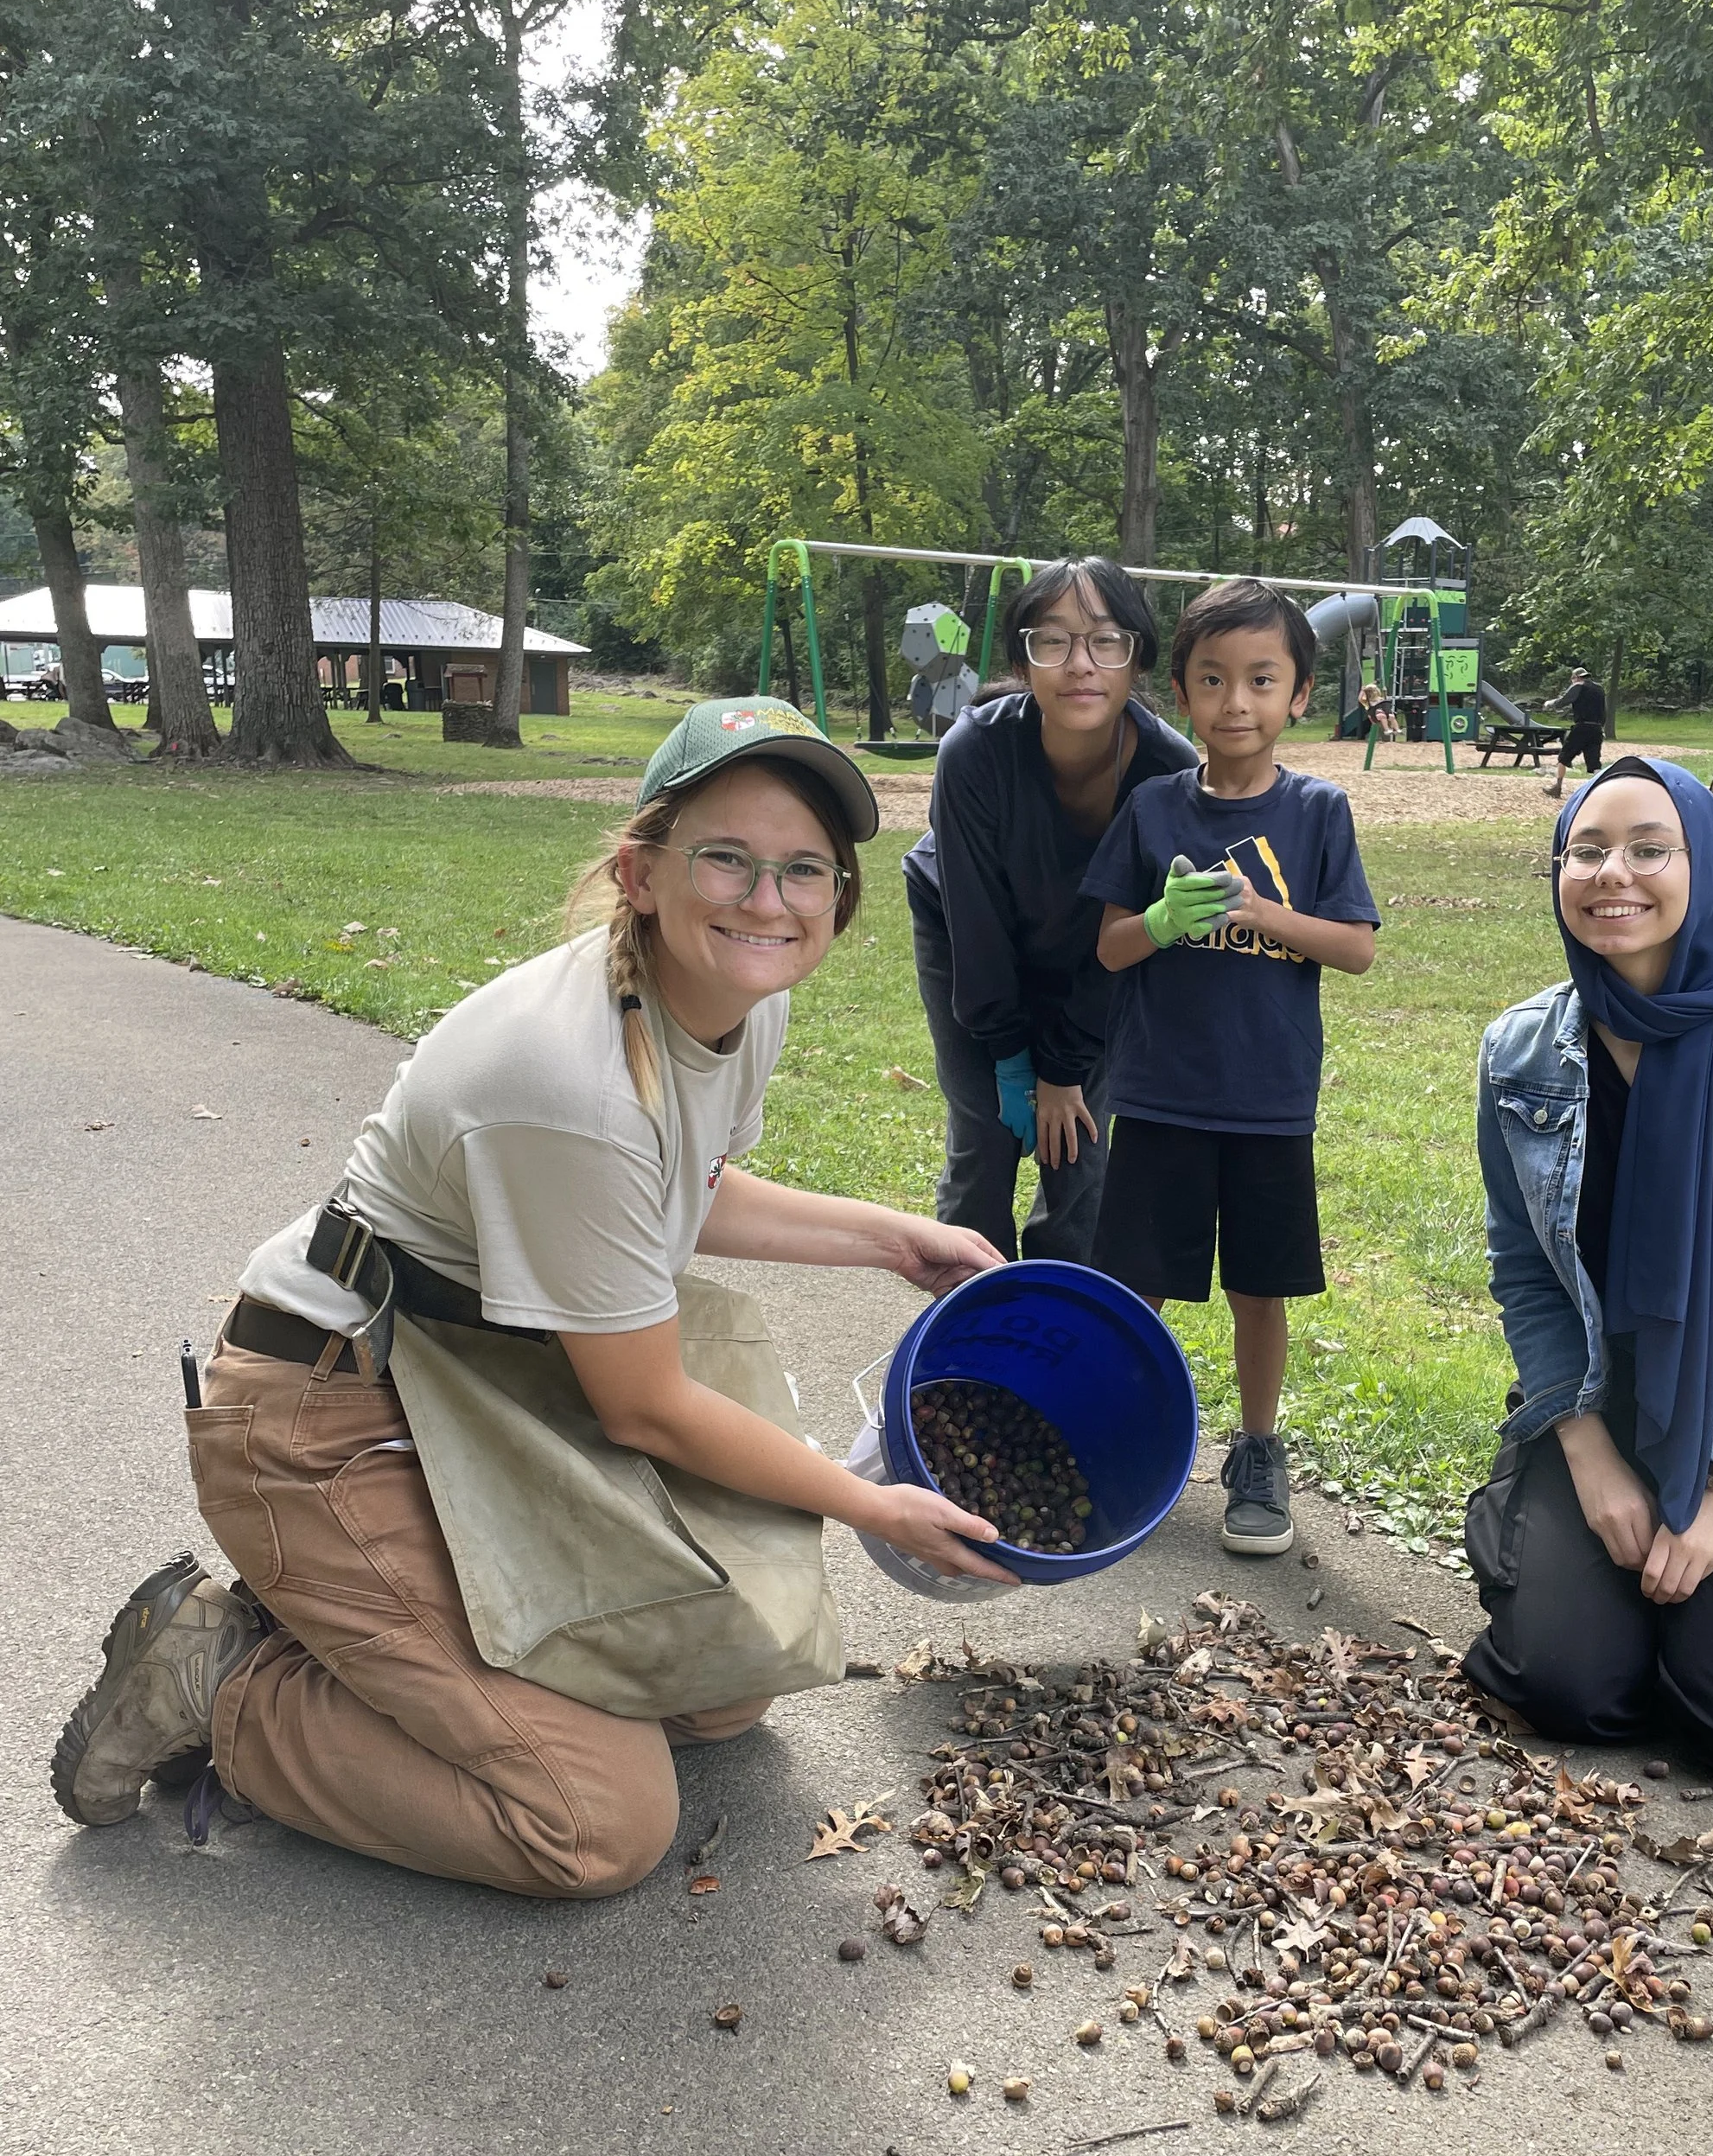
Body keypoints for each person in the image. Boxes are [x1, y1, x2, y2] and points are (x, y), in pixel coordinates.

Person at [51, 700, 1012, 1898]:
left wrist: (890, 1238)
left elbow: (682, 1185)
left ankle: (396, 1648)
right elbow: (645, 1407)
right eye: (726, 857)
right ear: (641, 875)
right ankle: (224, 1679)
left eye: (803, 869)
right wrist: (874, 1506)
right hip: (324, 1418)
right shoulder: (569, 1085)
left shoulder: (734, 998)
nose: (768, 899)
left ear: (838, 895)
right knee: (594, 1824)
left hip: (485, 1385)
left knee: (720, 1689)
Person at [1460, 757, 1713, 1783]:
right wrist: (1588, 1456)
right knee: (1567, 1691)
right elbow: (1523, 1269)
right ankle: (1589, 1589)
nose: (1614, 874)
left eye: (1651, 849)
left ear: (1707, 867)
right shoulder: (1519, 1052)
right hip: (1596, 1398)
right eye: (1586, 850)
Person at [1082, 578, 1379, 1558]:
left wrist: (1259, 912)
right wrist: (1161, 920)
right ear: (1180, 693)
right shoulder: (1151, 808)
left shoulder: (1319, 809)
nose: (1236, 702)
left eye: (1261, 679)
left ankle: (1256, 1450)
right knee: (1140, 1285)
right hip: (1159, 1094)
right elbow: (1109, 948)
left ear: (1300, 695)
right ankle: (1122, 1438)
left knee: (1260, 1287)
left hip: (1268, 1102)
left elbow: (1354, 948)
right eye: (1212, 680)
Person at [903, 560, 1192, 1263]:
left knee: (1080, 1151)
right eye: (1053, 640)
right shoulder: (973, 751)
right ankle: (969, 1317)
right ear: (1021, 661)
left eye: (1105, 640)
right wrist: (1011, 1057)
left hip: (1101, 955)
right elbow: (977, 924)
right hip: (965, 931)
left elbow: (1129, 942)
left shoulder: (1169, 772)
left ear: (1137, 659)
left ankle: (1061, 1317)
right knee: (984, 1135)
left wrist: (1062, 1070)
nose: (1080, 664)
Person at [1545, 664, 1607, 790]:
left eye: (1572, 679)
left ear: (1577, 677)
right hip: (1597, 729)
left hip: (1581, 728)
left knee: (1564, 757)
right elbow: (1604, 710)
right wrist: (1602, 727)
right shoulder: (1599, 689)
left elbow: (1563, 701)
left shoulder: (1579, 685)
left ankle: (1557, 787)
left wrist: (1550, 704)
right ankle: (1600, 790)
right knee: (1594, 763)